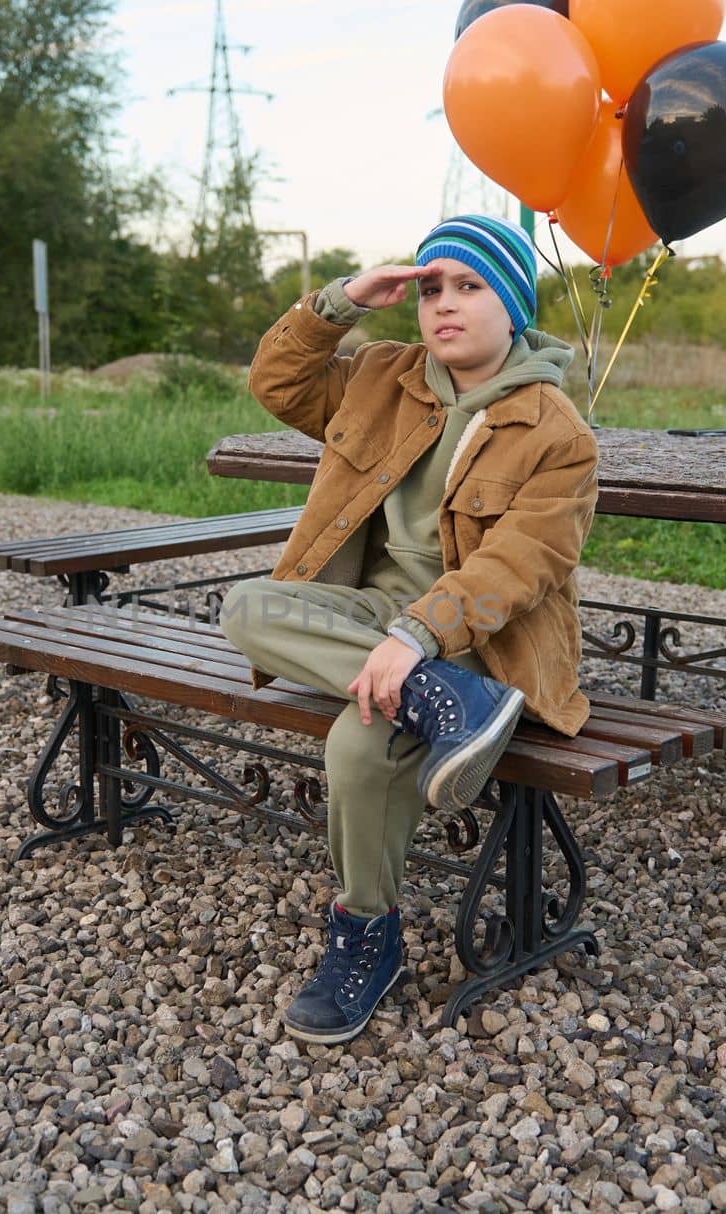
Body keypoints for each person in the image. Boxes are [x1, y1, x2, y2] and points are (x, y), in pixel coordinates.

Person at [217, 214, 600, 1044]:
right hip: (373, 619)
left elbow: (518, 567)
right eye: (430, 289)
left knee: (356, 745)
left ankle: (366, 936)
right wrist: (344, 299)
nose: (444, 305)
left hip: (481, 641)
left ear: (513, 307)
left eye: (469, 287)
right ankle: (440, 702)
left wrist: (419, 639)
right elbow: (278, 383)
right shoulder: (383, 377)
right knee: (245, 606)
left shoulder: (556, 431)